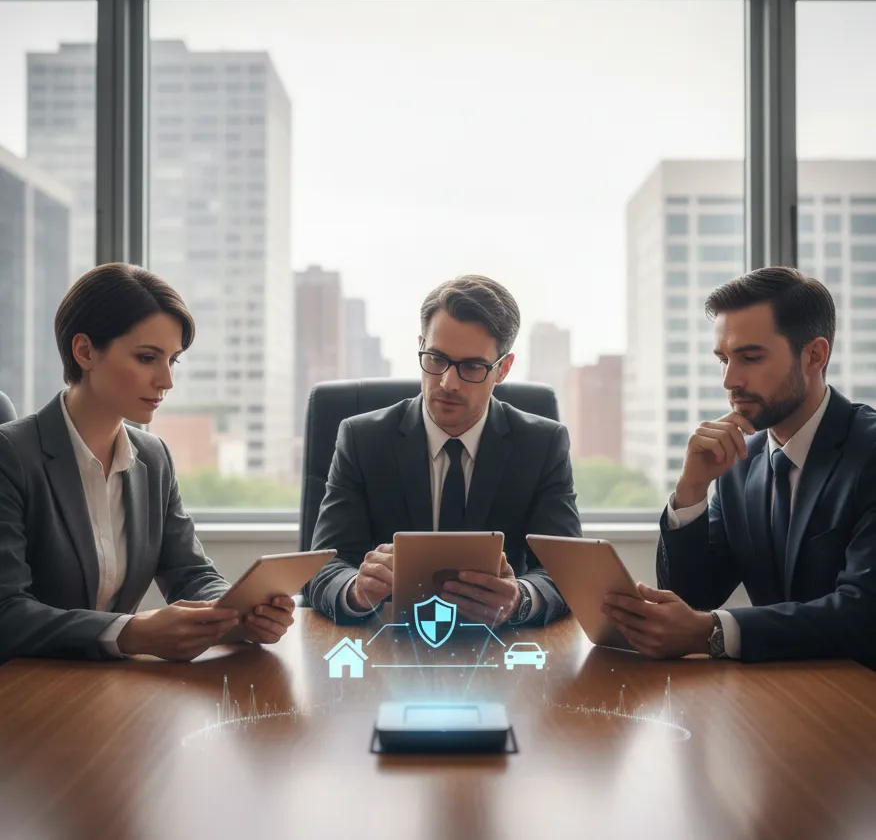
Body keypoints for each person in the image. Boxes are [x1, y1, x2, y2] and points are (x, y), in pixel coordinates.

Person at [0, 263, 294, 663]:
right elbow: (7, 613)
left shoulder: (153, 458)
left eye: (172, 360)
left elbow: (190, 573)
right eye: (146, 357)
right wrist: (131, 633)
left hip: (111, 689)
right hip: (28, 693)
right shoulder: (12, 456)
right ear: (85, 351)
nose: (166, 381)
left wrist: (236, 616)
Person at [603, 267, 876, 666]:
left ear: (814, 355)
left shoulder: (867, 453)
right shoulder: (739, 462)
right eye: (723, 359)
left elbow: (863, 613)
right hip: (778, 690)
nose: (730, 380)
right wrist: (690, 490)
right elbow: (692, 599)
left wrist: (713, 630)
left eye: (750, 357)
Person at [304, 274, 582, 627]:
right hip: (386, 647)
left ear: (503, 369)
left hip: (499, 650)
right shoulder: (362, 439)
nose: (448, 383)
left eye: (471, 367)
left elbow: (567, 572)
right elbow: (323, 568)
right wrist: (356, 591)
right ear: (421, 345)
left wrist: (520, 598)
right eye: (435, 359)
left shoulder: (542, 445)